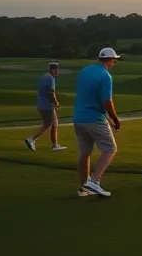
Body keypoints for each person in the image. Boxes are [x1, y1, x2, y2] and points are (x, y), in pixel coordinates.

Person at [74, 48, 123, 198]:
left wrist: (108, 119)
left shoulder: (85, 71)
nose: (114, 62)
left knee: (85, 152)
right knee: (110, 148)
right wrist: (115, 119)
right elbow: (106, 101)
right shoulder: (106, 75)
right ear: (109, 60)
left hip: (78, 118)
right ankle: (94, 181)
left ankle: (84, 188)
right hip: (94, 119)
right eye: (114, 60)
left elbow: (91, 98)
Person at [24, 62, 67, 152]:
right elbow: (51, 93)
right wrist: (56, 103)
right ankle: (36, 140)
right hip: (48, 106)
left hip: (41, 105)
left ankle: (35, 140)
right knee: (54, 124)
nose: (57, 71)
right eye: (56, 69)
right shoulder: (51, 79)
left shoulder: (43, 77)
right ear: (51, 69)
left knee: (47, 124)